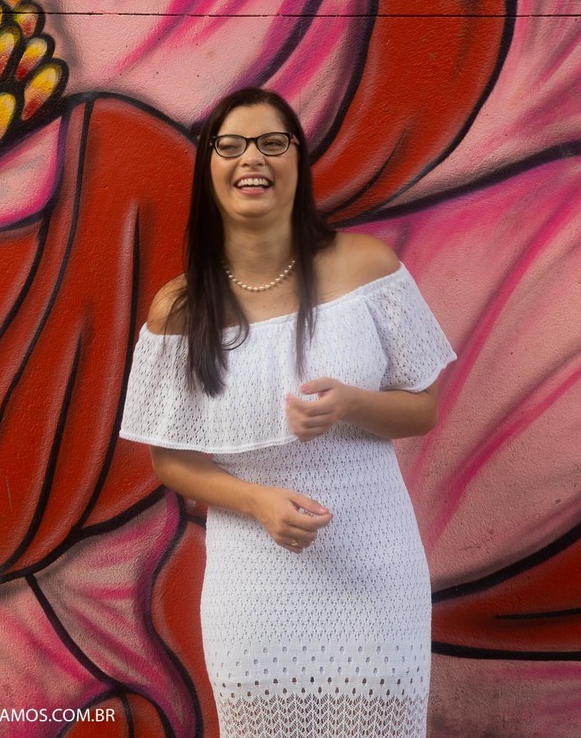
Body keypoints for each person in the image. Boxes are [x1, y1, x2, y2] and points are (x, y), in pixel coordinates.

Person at [119, 88, 457, 738]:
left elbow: (423, 408)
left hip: (374, 574)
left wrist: (350, 405)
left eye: (274, 143)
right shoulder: (180, 309)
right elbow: (170, 459)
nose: (254, 159)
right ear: (209, 167)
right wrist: (257, 502)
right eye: (233, 145)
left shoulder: (366, 268)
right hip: (253, 585)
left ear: (298, 163)